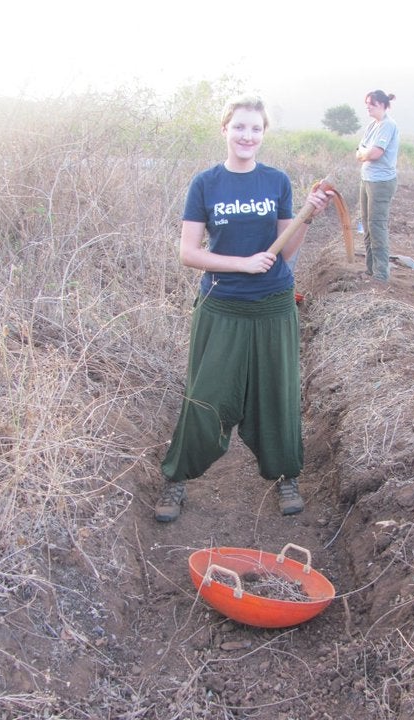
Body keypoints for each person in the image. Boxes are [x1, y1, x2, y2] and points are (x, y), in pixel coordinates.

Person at [154, 95, 330, 523]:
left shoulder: (276, 181)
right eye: (239, 127)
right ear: (225, 130)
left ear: (263, 134)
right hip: (223, 307)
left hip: (273, 306)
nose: (247, 135)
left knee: (278, 393)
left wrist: (307, 217)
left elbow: (285, 254)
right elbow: (189, 253)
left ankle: (286, 474)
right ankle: (176, 478)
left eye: (255, 128)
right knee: (206, 394)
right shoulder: (206, 184)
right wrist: (241, 263)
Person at [355, 90, 400, 283]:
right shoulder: (373, 125)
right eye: (367, 103)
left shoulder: (388, 125)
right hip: (367, 179)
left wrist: (364, 154)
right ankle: (371, 269)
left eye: (371, 104)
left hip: (381, 182)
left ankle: (381, 274)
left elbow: (374, 154)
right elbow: (360, 151)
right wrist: (364, 153)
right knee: (366, 224)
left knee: (377, 225)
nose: (368, 107)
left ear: (382, 105)